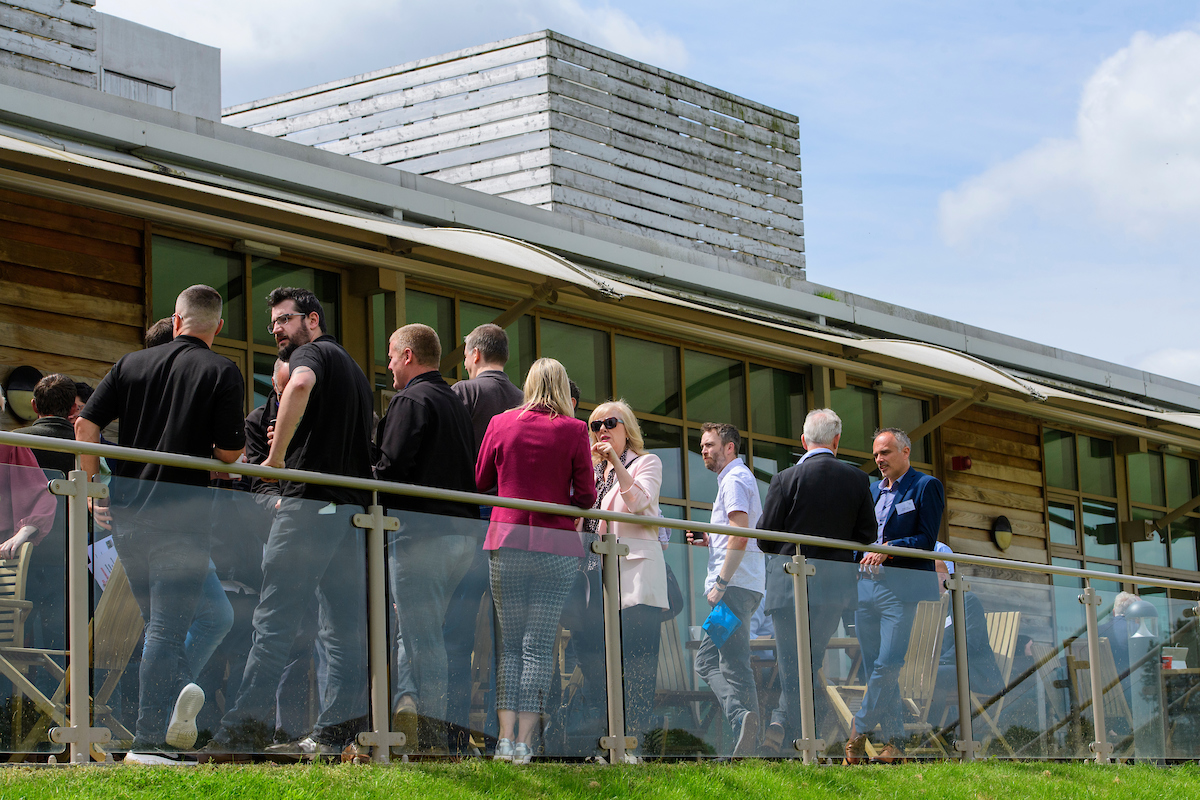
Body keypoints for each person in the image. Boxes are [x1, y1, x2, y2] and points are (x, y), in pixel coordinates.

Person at [76, 284, 246, 764]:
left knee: (158, 625)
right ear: (217, 327)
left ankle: (168, 720)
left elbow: (85, 427)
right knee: (167, 632)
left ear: (176, 320)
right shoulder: (222, 370)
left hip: (129, 517)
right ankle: (150, 742)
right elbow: (231, 454)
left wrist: (91, 492)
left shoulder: (131, 363)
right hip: (184, 518)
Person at [208, 287, 374, 760]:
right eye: (274, 323)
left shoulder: (312, 353)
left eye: (285, 319)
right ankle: (334, 735)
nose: (278, 328)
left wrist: (274, 462)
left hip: (308, 508)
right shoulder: (356, 373)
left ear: (313, 320)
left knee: (273, 621)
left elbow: (299, 385)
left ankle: (245, 730)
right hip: (351, 515)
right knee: (341, 630)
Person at [476, 357, 596, 765]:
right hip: (555, 546)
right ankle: (526, 743)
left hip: (506, 541)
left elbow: (480, 481)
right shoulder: (575, 429)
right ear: (563, 387)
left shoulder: (501, 423)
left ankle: (503, 741)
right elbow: (586, 496)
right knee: (539, 648)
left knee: (508, 646)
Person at [375, 323, 479, 752]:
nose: (387, 365)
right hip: (462, 538)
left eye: (390, 355)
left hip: (423, 538)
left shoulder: (410, 399)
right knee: (416, 631)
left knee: (423, 639)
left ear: (407, 356)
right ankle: (407, 706)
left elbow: (390, 469)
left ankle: (430, 737)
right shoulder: (454, 402)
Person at [757, 408, 876, 754]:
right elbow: (866, 535)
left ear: (804, 441)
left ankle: (791, 734)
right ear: (837, 440)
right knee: (806, 662)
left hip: (786, 585)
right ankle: (800, 732)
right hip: (834, 587)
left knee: (792, 664)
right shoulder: (857, 480)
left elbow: (764, 539)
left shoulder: (784, 478)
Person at [445, 323, 525, 751]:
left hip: (469, 522)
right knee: (506, 641)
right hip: (513, 528)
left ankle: (454, 733)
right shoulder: (525, 403)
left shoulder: (463, 393)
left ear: (474, 355)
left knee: (456, 631)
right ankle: (504, 738)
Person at [845, 427, 943, 765]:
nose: (879, 460)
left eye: (885, 453)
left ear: (905, 451)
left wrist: (890, 550)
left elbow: (927, 541)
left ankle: (857, 732)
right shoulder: (871, 490)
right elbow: (859, 539)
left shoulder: (925, 486)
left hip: (900, 589)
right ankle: (895, 742)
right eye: (875, 455)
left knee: (888, 663)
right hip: (866, 587)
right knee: (874, 665)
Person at [585, 400, 668, 758]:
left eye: (610, 422)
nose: (602, 429)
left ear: (626, 428)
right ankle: (607, 745)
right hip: (599, 582)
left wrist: (617, 462)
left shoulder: (646, 463)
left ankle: (634, 745)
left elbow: (640, 504)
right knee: (602, 670)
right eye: (595, 424)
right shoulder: (593, 474)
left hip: (637, 581)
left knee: (638, 668)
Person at [685, 422, 764, 757]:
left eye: (710, 444)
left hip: (734, 588)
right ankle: (749, 734)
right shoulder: (736, 478)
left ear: (729, 447)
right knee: (718, 661)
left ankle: (744, 725)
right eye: (702, 446)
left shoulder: (733, 479)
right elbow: (734, 534)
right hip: (742, 585)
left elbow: (741, 534)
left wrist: (721, 582)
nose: (704, 450)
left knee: (721, 664)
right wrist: (710, 541)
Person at [928, 555, 1003, 732]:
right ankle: (923, 736)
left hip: (974, 672)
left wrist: (934, 666)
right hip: (948, 670)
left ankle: (931, 735)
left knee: (934, 676)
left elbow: (969, 642)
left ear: (942, 578)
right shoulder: (933, 607)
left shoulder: (965, 601)